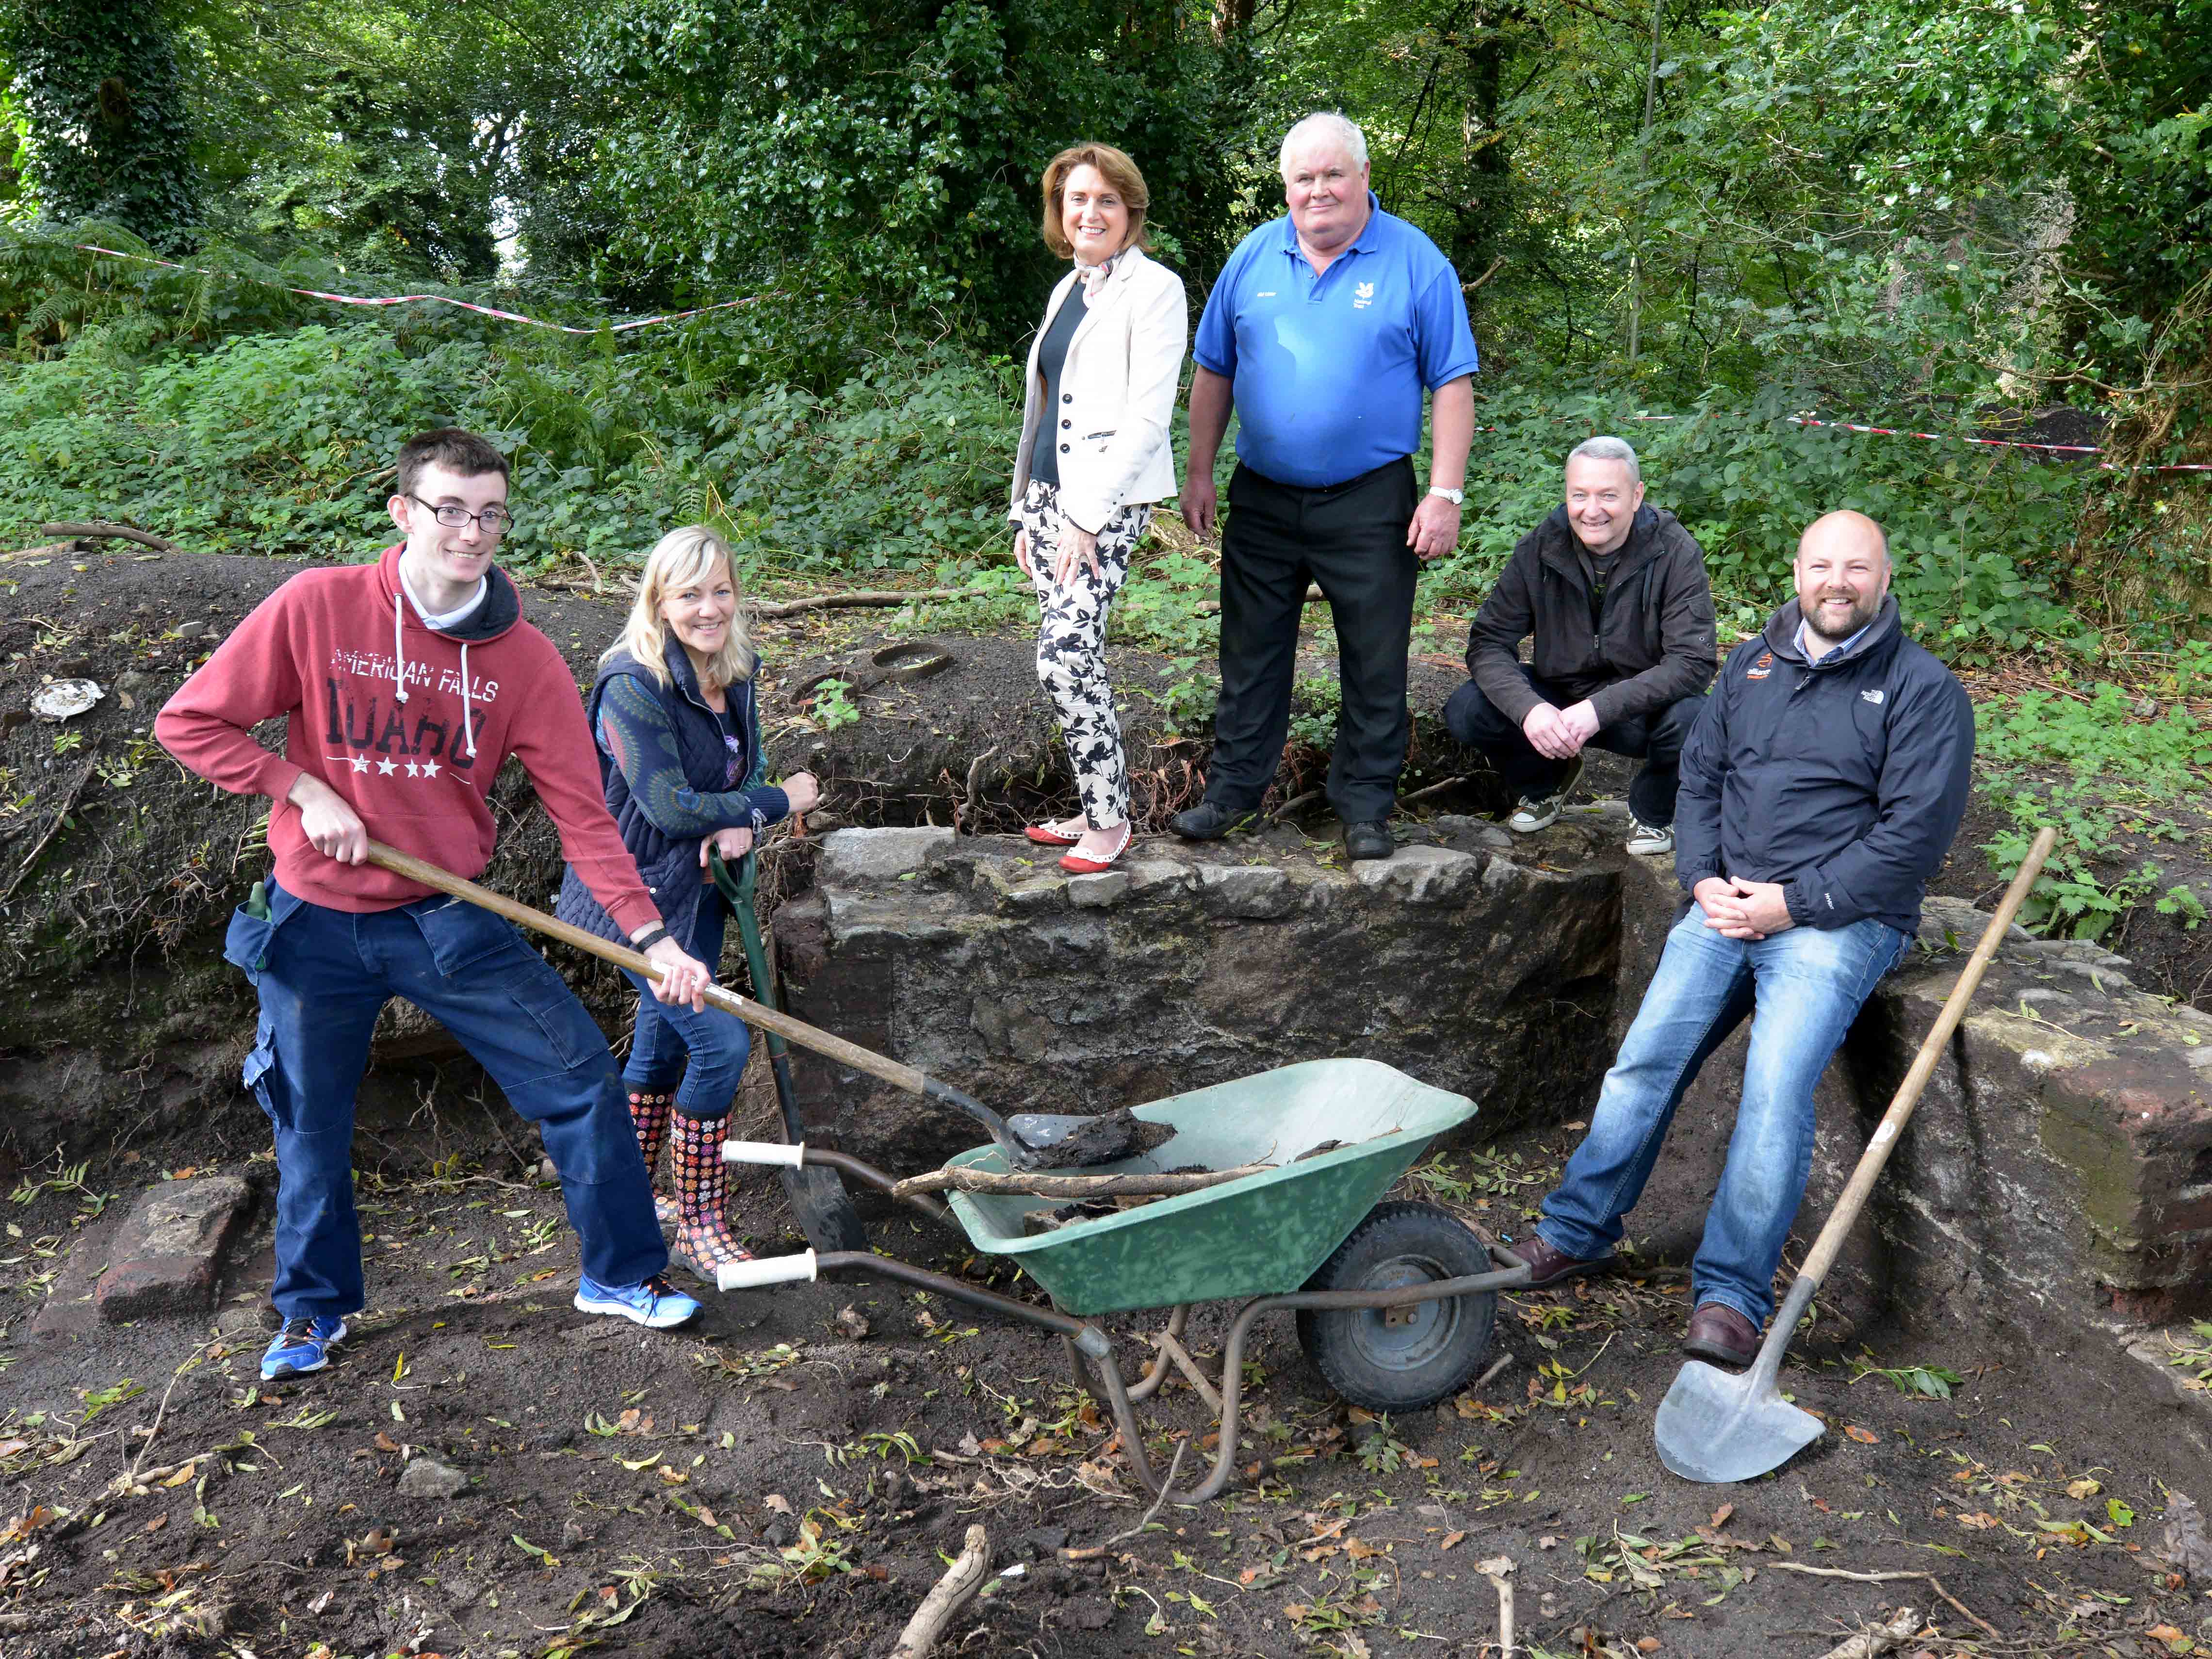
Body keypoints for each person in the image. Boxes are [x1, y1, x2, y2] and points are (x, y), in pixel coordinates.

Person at [156, 427, 716, 1382]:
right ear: (405, 512)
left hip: (443, 917)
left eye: (490, 512)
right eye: (451, 509)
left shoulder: (525, 662)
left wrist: (652, 936)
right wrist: (301, 787)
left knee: (579, 1076)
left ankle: (620, 1275)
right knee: (310, 1120)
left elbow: (586, 817)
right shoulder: (317, 609)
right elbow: (190, 723)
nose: (472, 531)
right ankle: (311, 1313)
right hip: (312, 920)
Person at [1510, 511, 1973, 1368]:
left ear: (1886, 576)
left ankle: (1730, 1296)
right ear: (1797, 572)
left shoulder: (1923, 690)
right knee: (1644, 1062)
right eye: (1822, 565)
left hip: (1838, 923)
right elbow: (1700, 778)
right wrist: (1701, 879)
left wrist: (1794, 904)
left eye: (1857, 568)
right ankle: (1577, 1232)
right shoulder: (1754, 664)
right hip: (1726, 905)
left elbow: (1914, 836)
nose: (1838, 582)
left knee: (1773, 1091)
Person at [1173, 111, 1480, 862]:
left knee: (1376, 660)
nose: (1319, 191)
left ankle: (1366, 806)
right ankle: (1234, 794)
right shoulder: (1252, 258)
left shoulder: (1416, 262)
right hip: (1265, 496)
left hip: (1372, 499)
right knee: (1249, 654)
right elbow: (1214, 371)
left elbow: (1452, 381)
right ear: (1285, 187)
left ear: (1364, 177)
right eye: (1303, 178)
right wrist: (1200, 471)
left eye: (1333, 174)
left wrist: (1445, 493)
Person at [554, 526, 819, 1277]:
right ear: (659, 600)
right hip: (631, 902)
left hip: (697, 893)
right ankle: (701, 1221)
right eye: (691, 594)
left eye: (722, 591)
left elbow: (746, 759)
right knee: (719, 1044)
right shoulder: (630, 686)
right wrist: (775, 803)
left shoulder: (734, 671)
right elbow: (669, 806)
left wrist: (740, 816)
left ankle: (634, 1193)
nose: (710, 609)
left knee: (666, 1042)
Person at [1010, 142, 1188, 874]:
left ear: (1130, 212)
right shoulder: (1067, 289)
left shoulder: (1156, 290)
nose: (1091, 212)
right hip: (1052, 499)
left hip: (1106, 505)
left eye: (1106, 200)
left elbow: (1148, 422)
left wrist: (1086, 516)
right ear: (1062, 210)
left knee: (1065, 655)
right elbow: (1044, 410)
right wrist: (1026, 509)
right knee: (1068, 657)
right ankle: (1095, 805)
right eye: (1078, 198)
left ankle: (1111, 826)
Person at [1444, 436, 1717, 854]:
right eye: (1580, 495)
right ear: (1567, 495)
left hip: (1640, 711)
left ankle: (1653, 812)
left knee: (1698, 718)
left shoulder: (1675, 550)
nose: (1593, 511)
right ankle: (1544, 782)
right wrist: (1530, 709)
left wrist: (1599, 710)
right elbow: (1489, 642)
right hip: (1559, 701)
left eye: (1609, 495)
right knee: (1469, 709)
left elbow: (1693, 662)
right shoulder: (1540, 547)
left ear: (1637, 495)